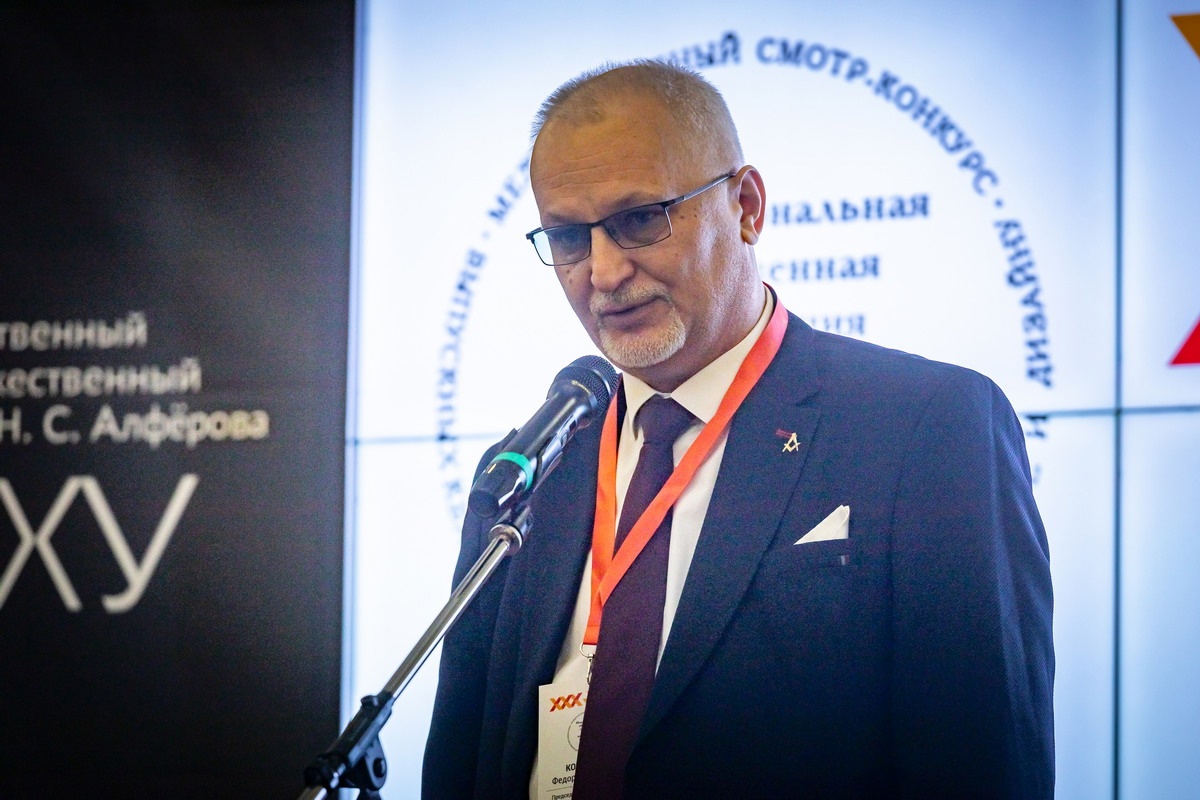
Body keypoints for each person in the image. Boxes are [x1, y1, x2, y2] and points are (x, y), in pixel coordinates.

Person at [424, 60, 1054, 799]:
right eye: (568, 236)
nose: (603, 271)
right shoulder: (531, 472)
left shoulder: (925, 427)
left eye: (639, 219)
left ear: (747, 206)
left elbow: (984, 764)